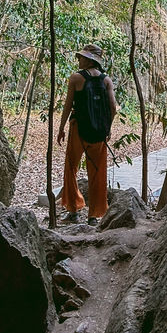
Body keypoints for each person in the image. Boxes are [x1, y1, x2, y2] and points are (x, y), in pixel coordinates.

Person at [56, 43, 117, 225]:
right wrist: (108, 128)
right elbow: (113, 108)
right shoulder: (107, 80)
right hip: (99, 133)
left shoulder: (76, 78)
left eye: (81, 57)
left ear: (89, 60)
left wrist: (61, 128)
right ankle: (94, 216)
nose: (79, 59)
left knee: (71, 168)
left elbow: (68, 105)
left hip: (78, 130)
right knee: (98, 173)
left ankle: (74, 210)